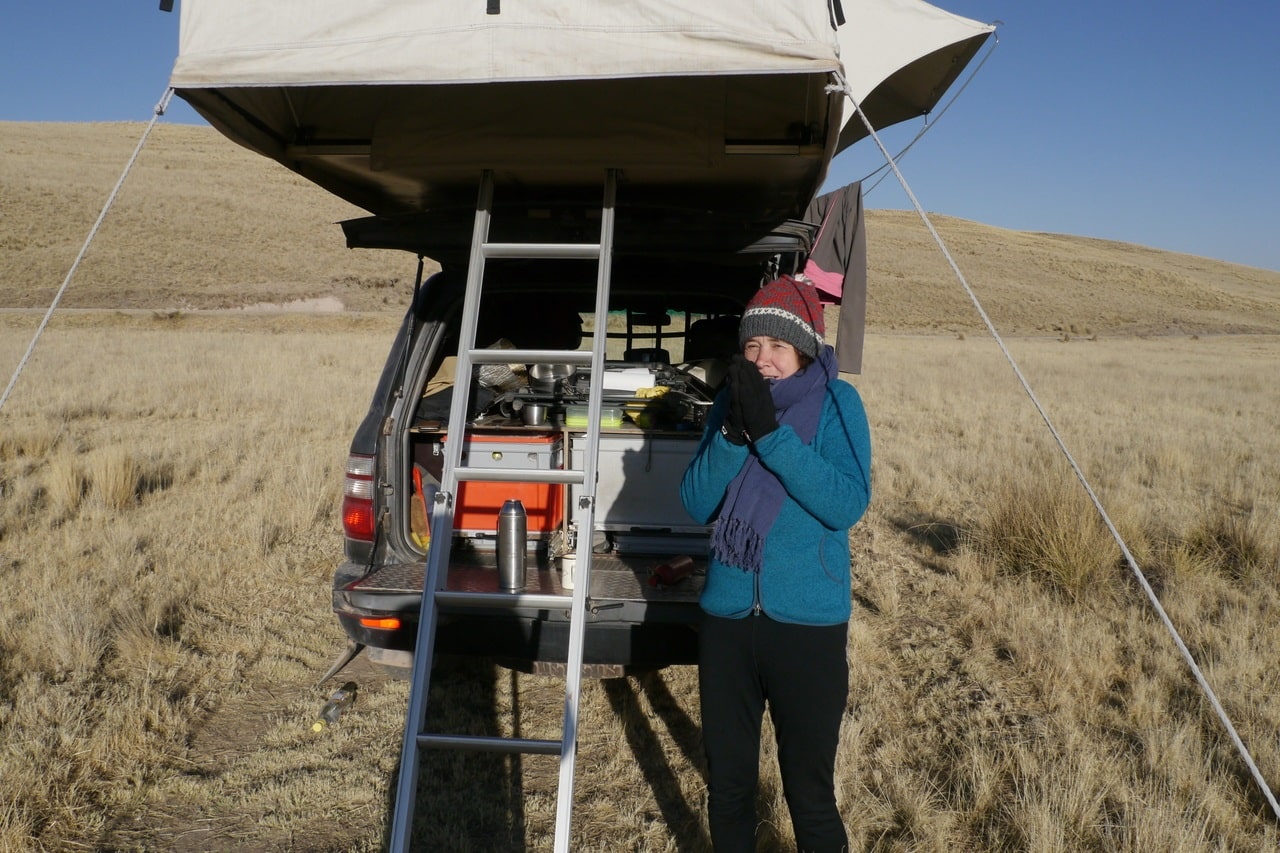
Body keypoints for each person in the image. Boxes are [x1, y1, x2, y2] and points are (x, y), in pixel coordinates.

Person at [680, 274, 872, 852]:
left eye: (777, 347)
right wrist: (736, 433)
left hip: (807, 625)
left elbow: (845, 503)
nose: (763, 360)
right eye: (752, 346)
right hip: (728, 624)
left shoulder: (838, 403)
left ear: (805, 349)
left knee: (808, 795)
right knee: (729, 788)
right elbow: (696, 502)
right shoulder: (727, 406)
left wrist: (771, 436)